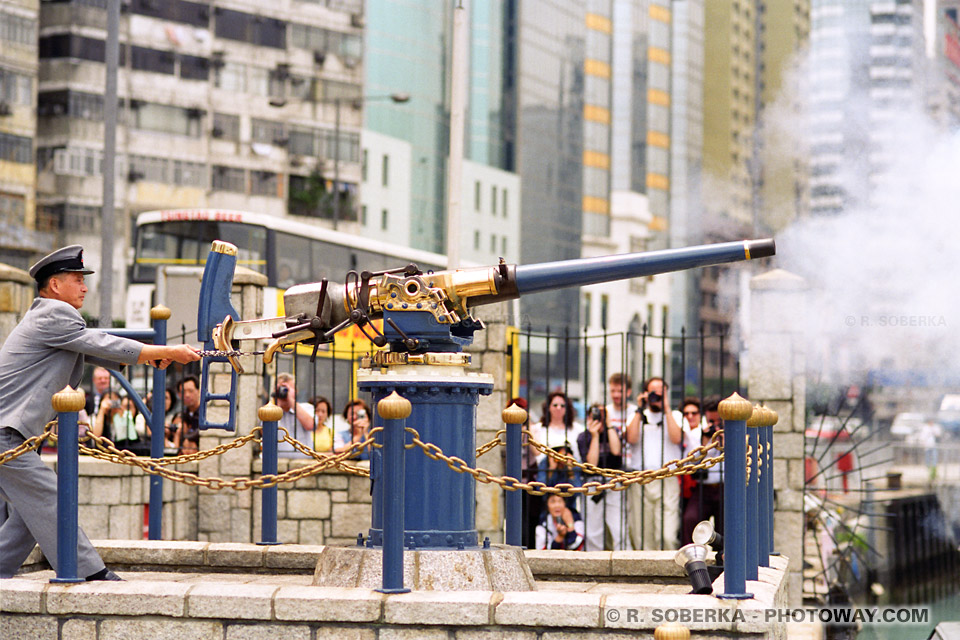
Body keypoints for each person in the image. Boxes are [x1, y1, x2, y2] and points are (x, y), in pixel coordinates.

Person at [0, 245, 200, 580]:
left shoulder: (50, 319)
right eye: (76, 279)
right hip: (7, 436)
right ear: (54, 286)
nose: (84, 287)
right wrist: (164, 350)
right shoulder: (54, 314)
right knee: (52, 497)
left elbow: (94, 348)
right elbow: (100, 343)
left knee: (29, 509)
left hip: (12, 436)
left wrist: (152, 355)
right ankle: (90, 573)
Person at [624, 376, 683, 550]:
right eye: (653, 392)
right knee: (641, 533)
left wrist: (665, 408)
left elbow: (676, 438)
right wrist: (639, 409)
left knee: (667, 534)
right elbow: (631, 438)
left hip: (667, 477)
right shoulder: (634, 416)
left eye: (661, 392)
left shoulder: (676, 416)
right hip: (641, 477)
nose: (656, 395)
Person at [577, 403, 625, 551]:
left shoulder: (613, 431)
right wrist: (595, 435)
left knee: (619, 528)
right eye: (595, 415)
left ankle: (623, 557)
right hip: (593, 483)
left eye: (601, 415)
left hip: (614, 481)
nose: (599, 418)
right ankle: (593, 558)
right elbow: (592, 463)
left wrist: (609, 423)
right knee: (593, 530)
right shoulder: (584, 437)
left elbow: (616, 451)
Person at [681, 396, 724, 546]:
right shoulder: (697, 434)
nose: (715, 426)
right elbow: (691, 462)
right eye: (712, 422)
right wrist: (705, 443)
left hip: (724, 487)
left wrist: (725, 441)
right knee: (690, 519)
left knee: (725, 525)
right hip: (703, 488)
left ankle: (724, 557)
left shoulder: (732, 434)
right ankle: (692, 554)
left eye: (718, 422)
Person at [267, 373, 314, 457]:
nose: (284, 391)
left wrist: (291, 400)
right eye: (281, 388)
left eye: (288, 388)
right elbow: (266, 432)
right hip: (277, 464)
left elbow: (310, 425)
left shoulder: (306, 408)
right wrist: (277, 404)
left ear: (296, 391)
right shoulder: (269, 410)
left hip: (304, 462)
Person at [532, 391, 582, 463]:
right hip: (546, 469)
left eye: (562, 406)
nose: (558, 408)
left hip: (571, 468)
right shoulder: (537, 428)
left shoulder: (577, 428)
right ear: (548, 407)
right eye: (555, 405)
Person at [171, 376, 201, 454]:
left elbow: (202, 431)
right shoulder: (181, 415)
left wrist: (188, 437)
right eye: (183, 392)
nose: (187, 395)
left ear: (198, 391)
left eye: (191, 391)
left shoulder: (205, 413)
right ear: (179, 394)